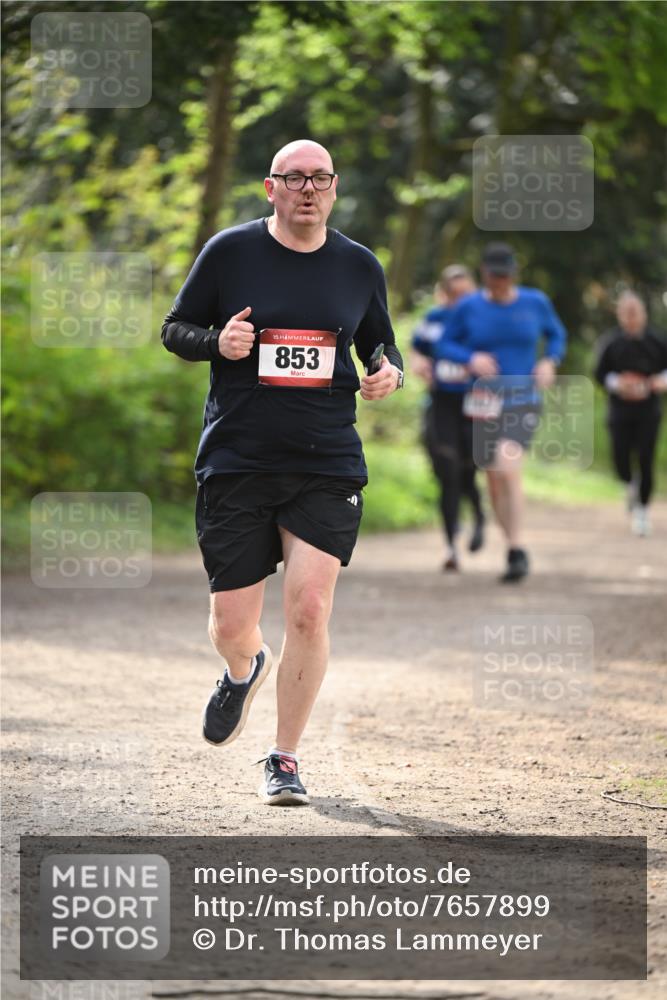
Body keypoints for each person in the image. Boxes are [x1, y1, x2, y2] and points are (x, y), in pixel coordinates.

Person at [161, 140, 403, 805]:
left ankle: (284, 758)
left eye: (319, 178)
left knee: (310, 605)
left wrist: (387, 369)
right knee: (233, 625)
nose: (307, 189)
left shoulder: (358, 265)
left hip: (325, 460)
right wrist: (218, 343)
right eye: (293, 178)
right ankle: (243, 668)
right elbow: (175, 327)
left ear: (333, 188)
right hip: (238, 459)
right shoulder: (230, 252)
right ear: (270, 189)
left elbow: (378, 340)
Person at [435, 243, 567, 582]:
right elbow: (444, 344)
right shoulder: (468, 307)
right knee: (493, 477)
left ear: (514, 274)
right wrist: (470, 359)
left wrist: (549, 361)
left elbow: (556, 335)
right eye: (496, 277)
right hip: (483, 401)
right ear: (485, 275)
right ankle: (512, 547)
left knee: (508, 465)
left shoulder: (535, 302)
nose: (501, 283)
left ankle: (518, 547)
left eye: (507, 276)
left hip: (523, 397)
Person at [411, 265, 484, 571]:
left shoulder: (485, 320)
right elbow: (416, 351)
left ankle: (479, 516)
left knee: (469, 470)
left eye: (465, 294)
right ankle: (451, 545)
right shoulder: (434, 320)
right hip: (441, 403)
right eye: (453, 294)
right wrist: (422, 365)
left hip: (477, 404)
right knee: (448, 472)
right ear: (444, 294)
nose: (459, 300)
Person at [594, 291, 667, 536]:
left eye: (635, 312)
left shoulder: (658, 340)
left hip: (649, 409)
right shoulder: (611, 342)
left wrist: (659, 382)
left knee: (646, 458)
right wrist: (619, 384)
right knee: (620, 457)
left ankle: (643, 511)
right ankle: (630, 485)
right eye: (627, 312)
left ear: (643, 314)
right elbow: (600, 373)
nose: (632, 317)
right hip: (620, 409)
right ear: (620, 315)